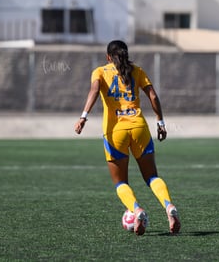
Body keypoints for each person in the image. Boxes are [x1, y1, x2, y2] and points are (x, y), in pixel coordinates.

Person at [74, 40, 181, 235]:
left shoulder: (99, 72)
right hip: (140, 127)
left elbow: (94, 91)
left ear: (108, 57)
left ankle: (137, 209)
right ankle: (168, 206)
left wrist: (83, 117)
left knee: (120, 182)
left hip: (115, 132)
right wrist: (161, 123)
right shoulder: (137, 70)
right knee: (152, 177)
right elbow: (154, 97)